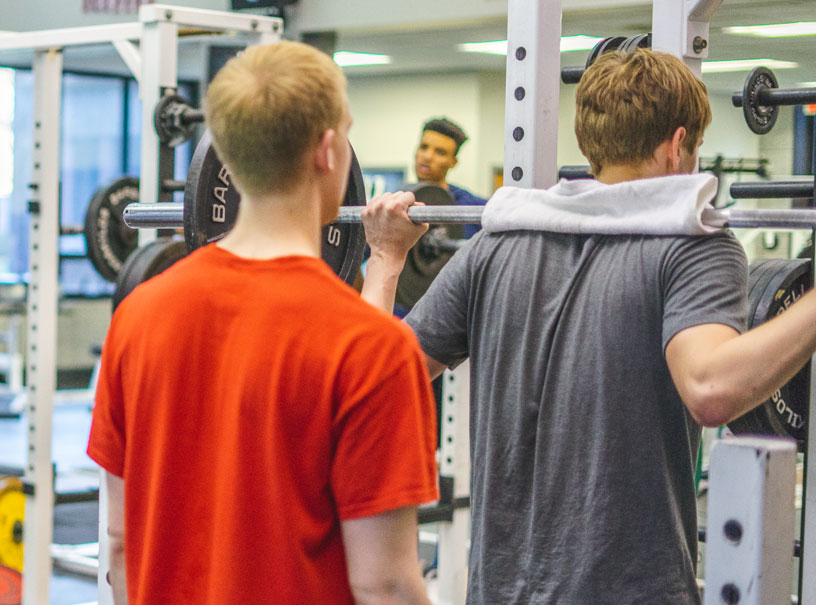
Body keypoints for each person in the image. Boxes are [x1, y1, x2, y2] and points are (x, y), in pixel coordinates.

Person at [362, 48, 816, 604]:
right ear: (678, 146)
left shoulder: (496, 244)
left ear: (588, 142)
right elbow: (712, 388)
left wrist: (384, 259)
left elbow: (376, 382)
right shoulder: (692, 247)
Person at [88, 41, 438, 605]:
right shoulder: (375, 347)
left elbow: (121, 545)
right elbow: (386, 586)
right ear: (327, 150)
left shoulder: (139, 316)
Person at [414, 117, 487, 238]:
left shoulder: (475, 208)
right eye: (424, 147)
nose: (427, 156)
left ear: (453, 162)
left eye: (440, 152)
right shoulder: (396, 202)